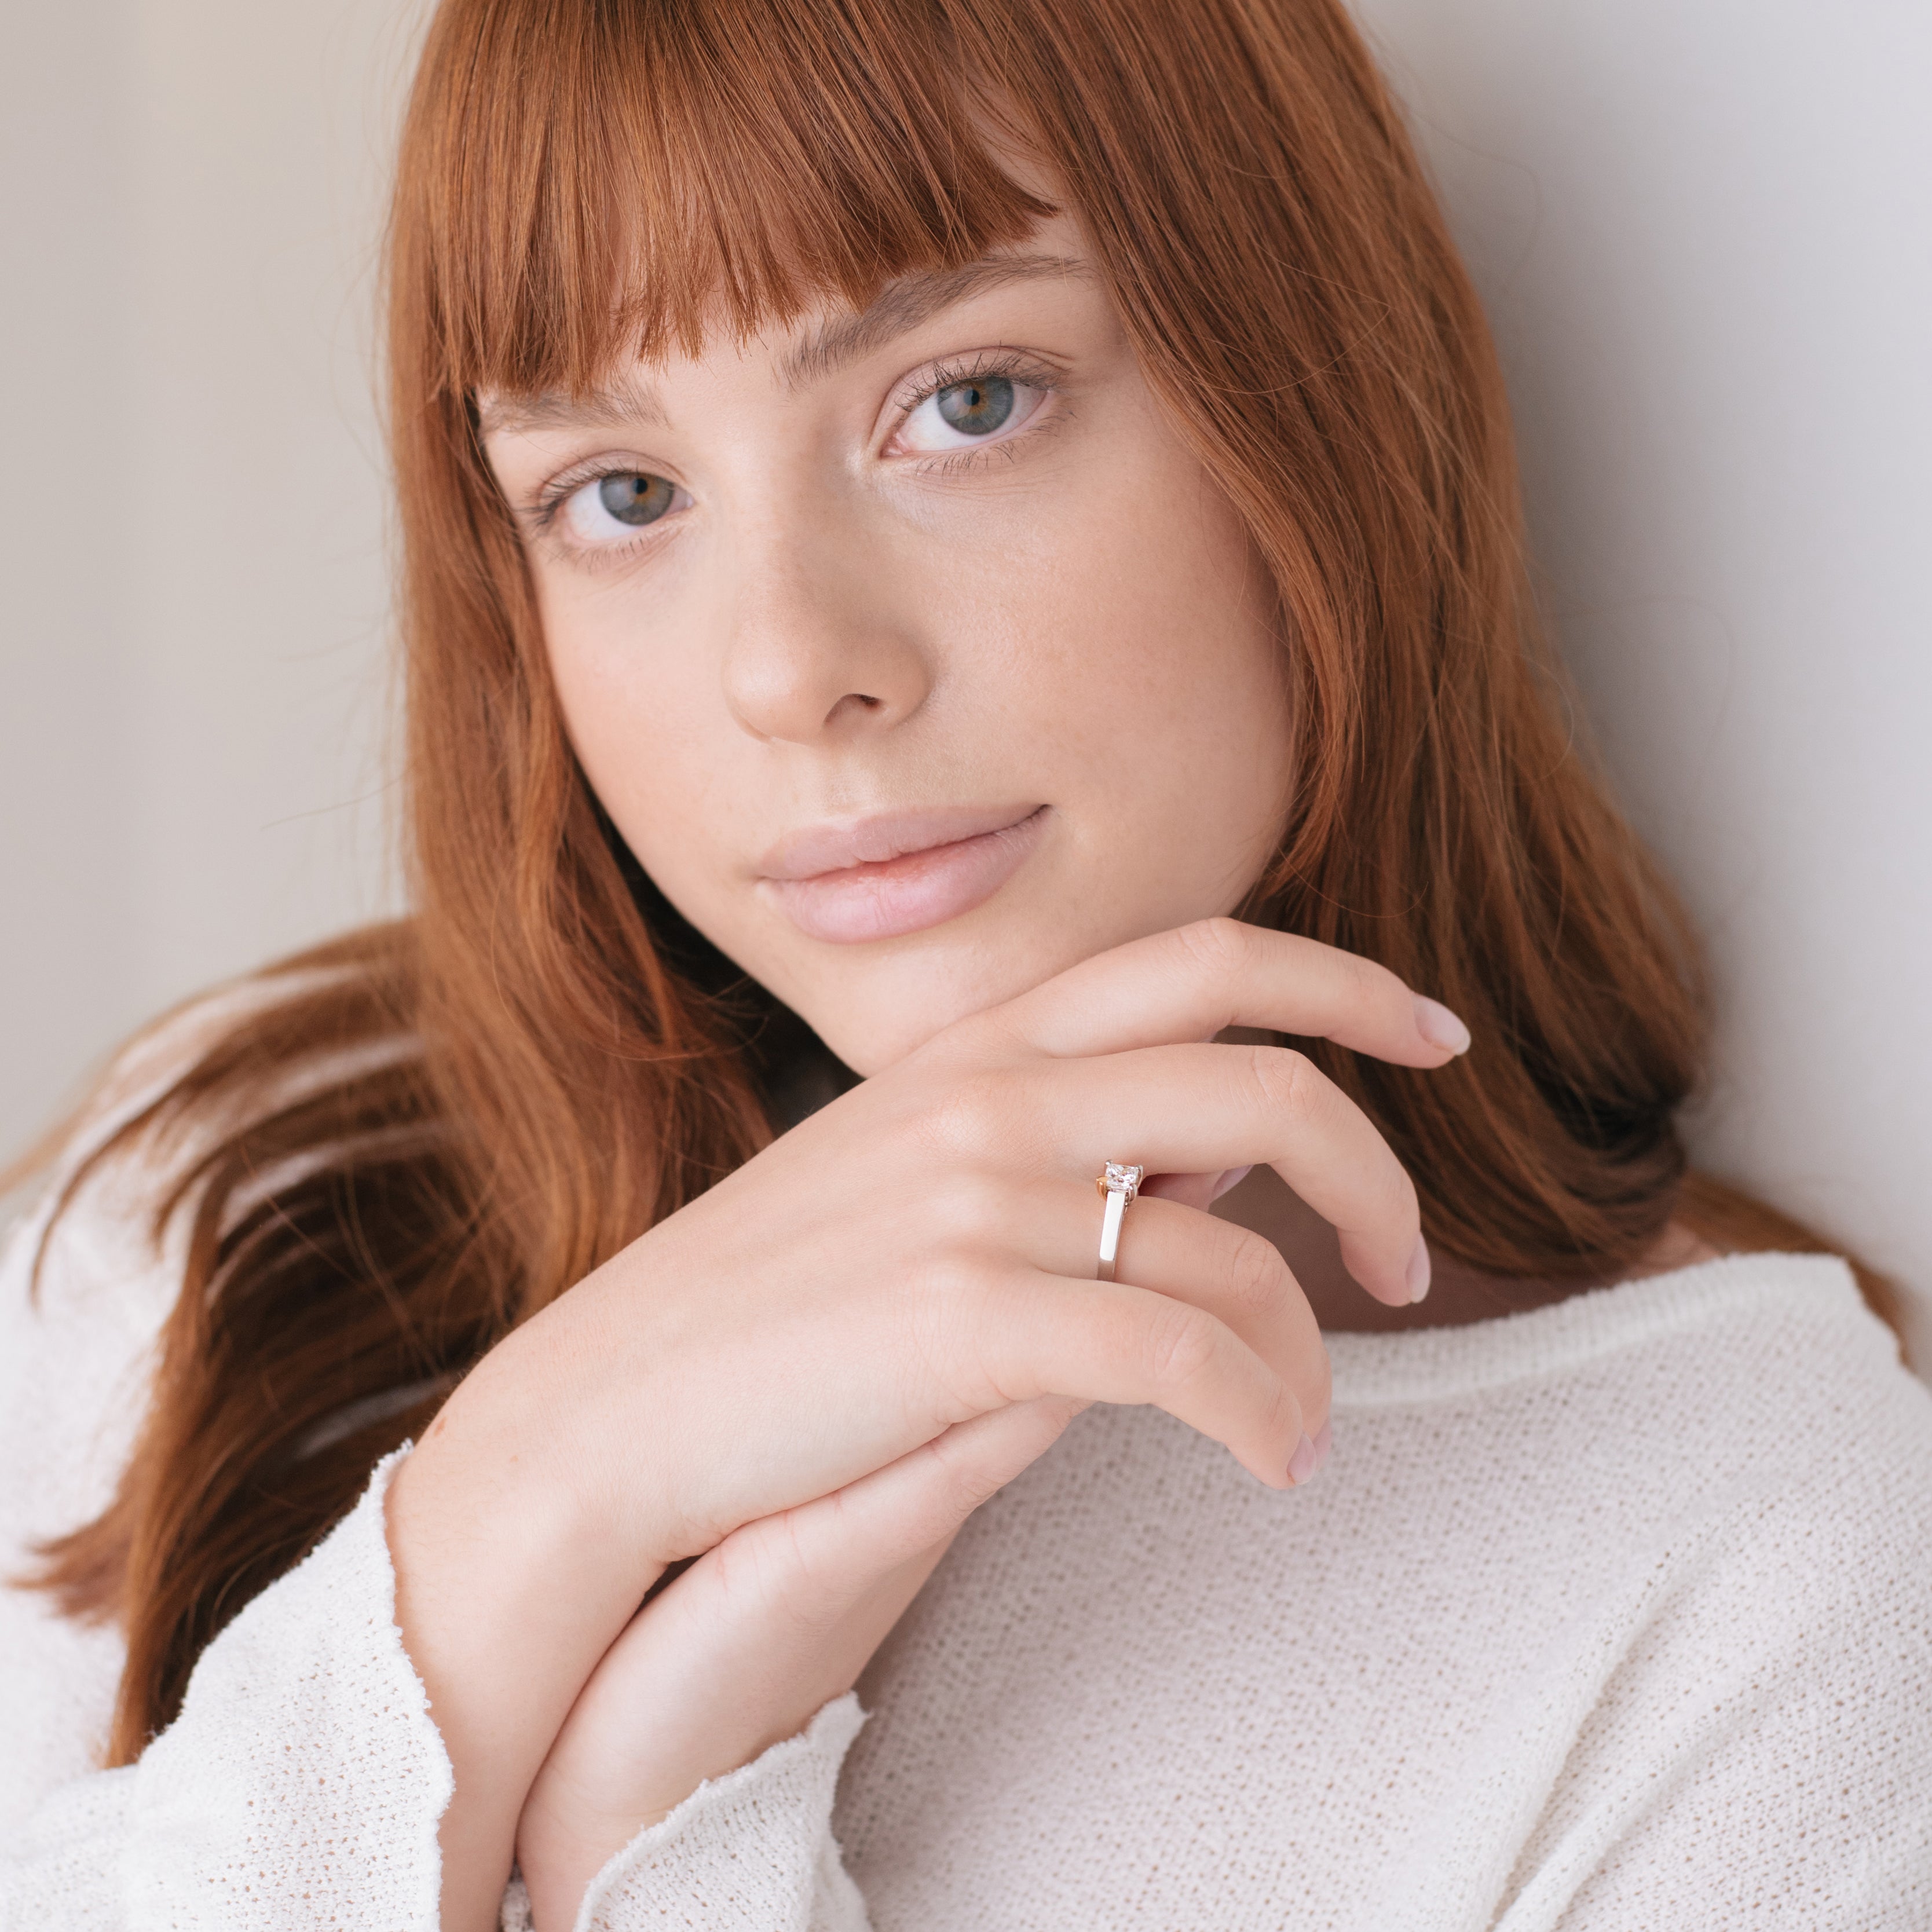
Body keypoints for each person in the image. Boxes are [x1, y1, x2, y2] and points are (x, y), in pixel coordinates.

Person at [5, 0, 1929, 1925]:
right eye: (622, 492)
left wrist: (673, 1845)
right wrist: (514, 1511)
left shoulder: (1759, 1558)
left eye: (967, 401)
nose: (787, 666)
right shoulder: (239, 1210)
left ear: (1314, 406)